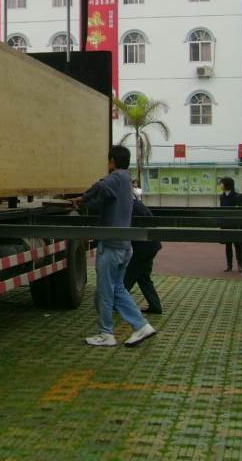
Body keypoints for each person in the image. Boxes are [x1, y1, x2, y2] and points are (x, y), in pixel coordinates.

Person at [72, 145, 156, 347]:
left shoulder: (116, 177)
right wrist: (87, 204)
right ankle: (141, 326)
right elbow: (106, 201)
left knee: (105, 291)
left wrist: (82, 198)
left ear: (111, 161)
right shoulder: (125, 179)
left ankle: (106, 333)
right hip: (123, 245)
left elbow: (100, 187)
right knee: (117, 289)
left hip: (111, 245)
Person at [124, 197, 162, 315]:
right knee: (143, 277)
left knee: (128, 277)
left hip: (144, 248)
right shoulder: (137, 204)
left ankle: (118, 303)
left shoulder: (129, 206)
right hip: (151, 245)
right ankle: (155, 306)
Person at [219, 176, 242, 273]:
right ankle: (229, 265)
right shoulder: (221, 196)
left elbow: (239, 211)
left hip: (235, 224)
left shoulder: (237, 196)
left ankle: (240, 265)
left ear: (227, 184)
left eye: (222, 183)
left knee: (238, 245)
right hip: (226, 224)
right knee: (227, 245)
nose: (221, 185)